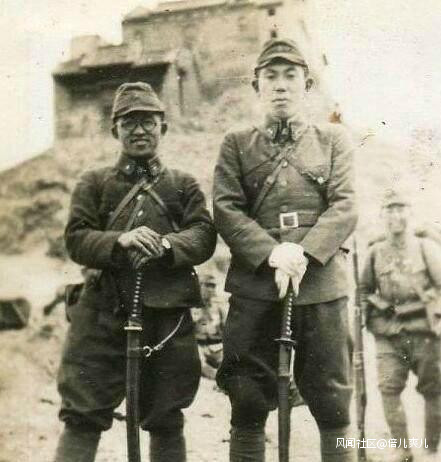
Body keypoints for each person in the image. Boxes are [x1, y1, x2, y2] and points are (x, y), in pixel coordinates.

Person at [53, 82, 217, 462]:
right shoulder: (93, 183)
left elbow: (204, 235)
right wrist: (120, 241)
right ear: (115, 130)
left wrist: (167, 245)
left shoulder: (182, 184)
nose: (139, 130)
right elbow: (76, 239)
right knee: (82, 414)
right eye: (129, 123)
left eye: (148, 122)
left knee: (167, 417)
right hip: (101, 312)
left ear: (164, 127)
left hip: (167, 317)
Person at [213, 38, 358, 462]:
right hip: (257, 284)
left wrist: (303, 253)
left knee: (333, 400)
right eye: (270, 77)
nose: (280, 85)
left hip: (320, 284)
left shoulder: (333, 140)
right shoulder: (236, 143)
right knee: (246, 398)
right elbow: (225, 208)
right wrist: (273, 253)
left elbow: (346, 205)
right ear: (256, 85)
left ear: (306, 85)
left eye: (290, 76)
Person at [360, 188, 441, 462]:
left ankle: (431, 448)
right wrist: (365, 318)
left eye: (401, 209)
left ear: (411, 213)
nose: (396, 216)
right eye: (390, 210)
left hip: (424, 331)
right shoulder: (375, 252)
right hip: (389, 332)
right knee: (388, 388)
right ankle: (402, 449)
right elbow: (364, 289)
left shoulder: (425, 247)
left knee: (433, 389)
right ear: (382, 215)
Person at [192, 274, 227, 380]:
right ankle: (217, 378)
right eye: (207, 285)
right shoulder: (191, 308)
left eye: (213, 286)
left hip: (216, 346)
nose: (211, 289)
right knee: (198, 362)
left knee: (229, 361)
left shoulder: (218, 308)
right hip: (198, 346)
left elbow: (227, 329)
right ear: (200, 286)